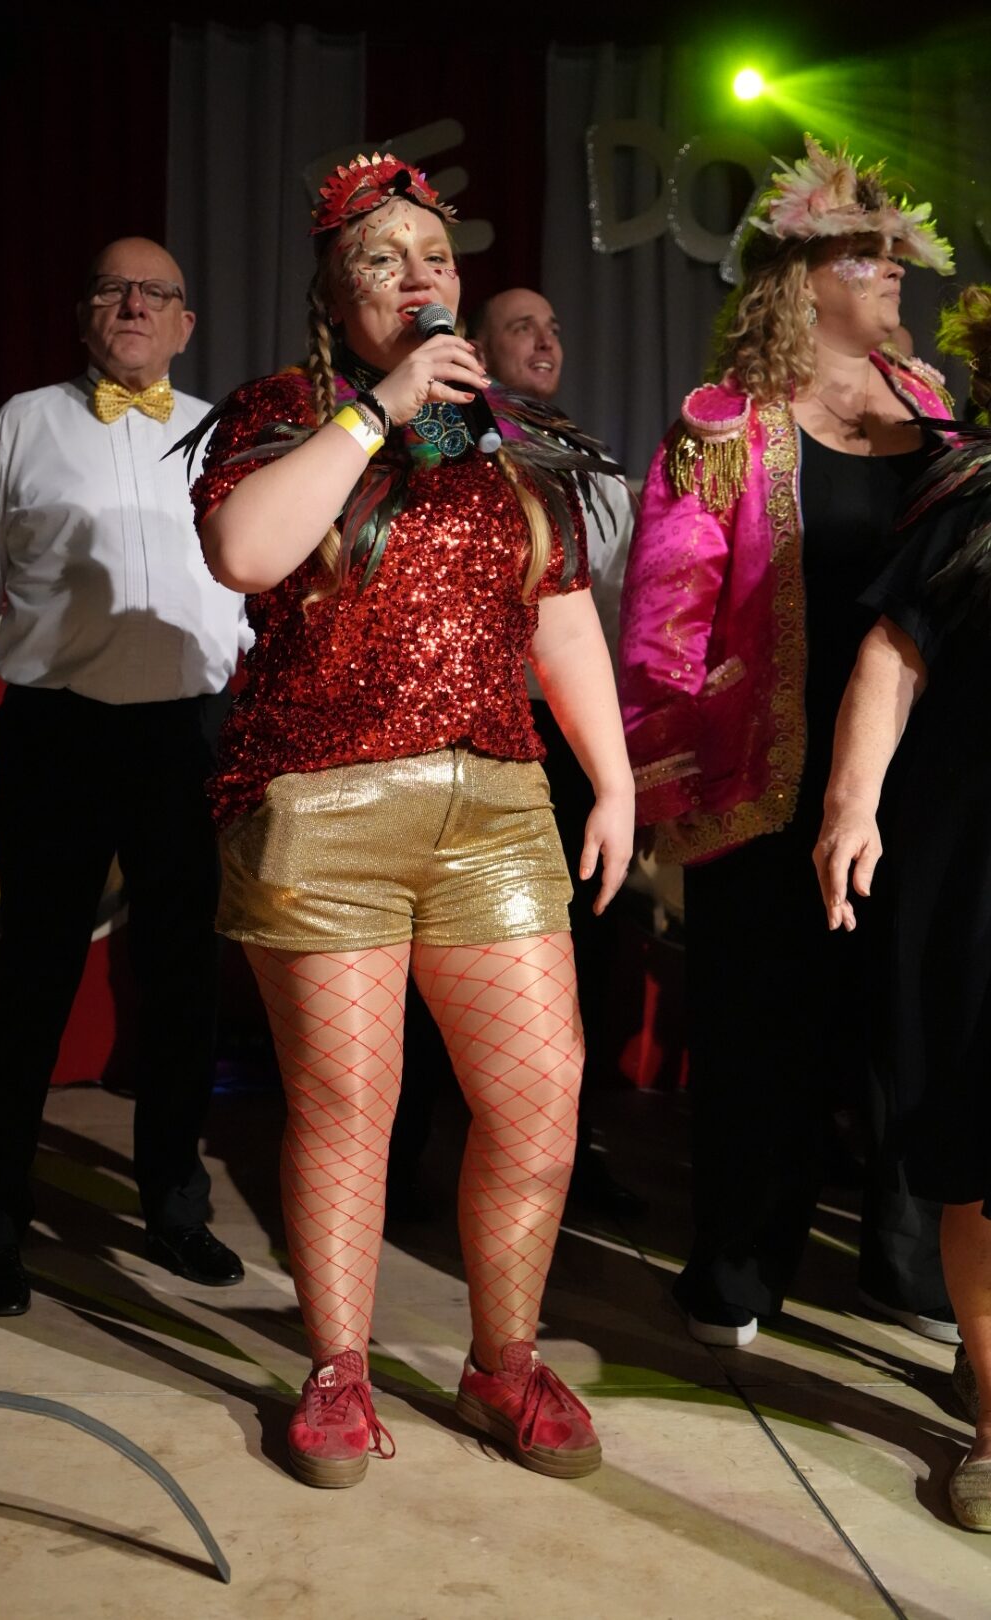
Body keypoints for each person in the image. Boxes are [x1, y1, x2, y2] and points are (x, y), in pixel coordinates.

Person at [186, 153, 635, 1487]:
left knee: (541, 1101)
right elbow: (248, 553)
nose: (417, 276)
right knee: (347, 1107)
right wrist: (376, 411)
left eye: (433, 257)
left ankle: (505, 1362)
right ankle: (338, 1370)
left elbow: (560, 617)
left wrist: (614, 779)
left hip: (496, 808)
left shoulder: (512, 441)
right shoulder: (280, 413)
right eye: (381, 259)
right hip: (322, 808)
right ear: (334, 294)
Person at [618, 135, 955, 1347]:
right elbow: (662, 625)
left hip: (922, 775)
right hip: (768, 782)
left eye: (896, 251)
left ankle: (903, 1265)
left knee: (909, 1025)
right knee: (766, 1032)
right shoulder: (727, 424)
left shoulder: (937, 410)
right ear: (800, 277)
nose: (893, 269)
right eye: (865, 252)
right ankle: (740, 1267)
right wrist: (666, 780)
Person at [0, 238, 250, 1316]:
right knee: (33, 982)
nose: (134, 304)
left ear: (186, 324)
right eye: (114, 287)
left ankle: (175, 1208)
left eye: (157, 292)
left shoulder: (221, 433)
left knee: (184, 983)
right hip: (56, 735)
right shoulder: (25, 420)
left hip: (187, 739)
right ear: (84, 314)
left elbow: (248, 593)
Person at [813, 284, 990, 1532]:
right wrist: (850, 806)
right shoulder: (974, 498)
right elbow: (892, 653)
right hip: (979, 866)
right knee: (985, 1147)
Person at [469, 287, 642, 1220]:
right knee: (463, 943)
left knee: (587, 939)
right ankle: (420, 1147)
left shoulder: (592, 461)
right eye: (522, 327)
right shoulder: (452, 440)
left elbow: (613, 605)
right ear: (478, 346)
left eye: (554, 328)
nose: (545, 340)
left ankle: (572, 1153)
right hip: (485, 727)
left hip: (575, 735)